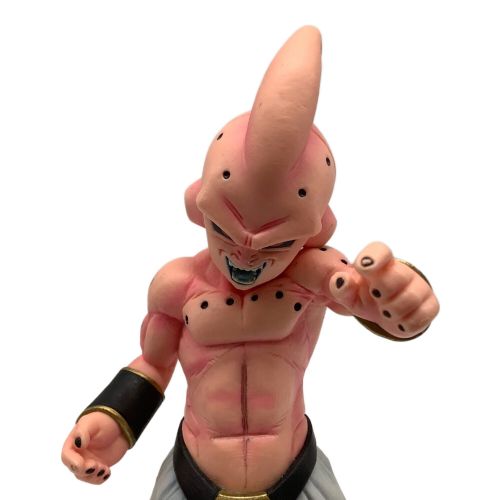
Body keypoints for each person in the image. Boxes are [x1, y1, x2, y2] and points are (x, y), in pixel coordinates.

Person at [61, 26, 439, 500]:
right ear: (197, 205)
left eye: (275, 244)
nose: (244, 257)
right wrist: (110, 423)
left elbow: (357, 294)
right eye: (225, 230)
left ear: (316, 230)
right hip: (192, 481)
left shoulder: (311, 275)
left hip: (296, 483)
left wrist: (401, 300)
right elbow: (154, 366)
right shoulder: (176, 287)